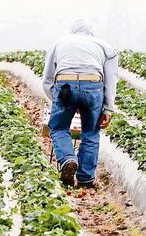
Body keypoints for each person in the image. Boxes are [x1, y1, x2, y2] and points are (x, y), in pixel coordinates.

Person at [41, 19, 118, 188]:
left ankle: (68, 159)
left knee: (59, 127)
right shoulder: (105, 47)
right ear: (91, 33)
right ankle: (86, 179)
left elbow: (47, 79)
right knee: (91, 132)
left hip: (65, 84)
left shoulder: (60, 43)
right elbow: (111, 80)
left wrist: (59, 102)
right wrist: (108, 109)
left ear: (73, 31)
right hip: (93, 85)